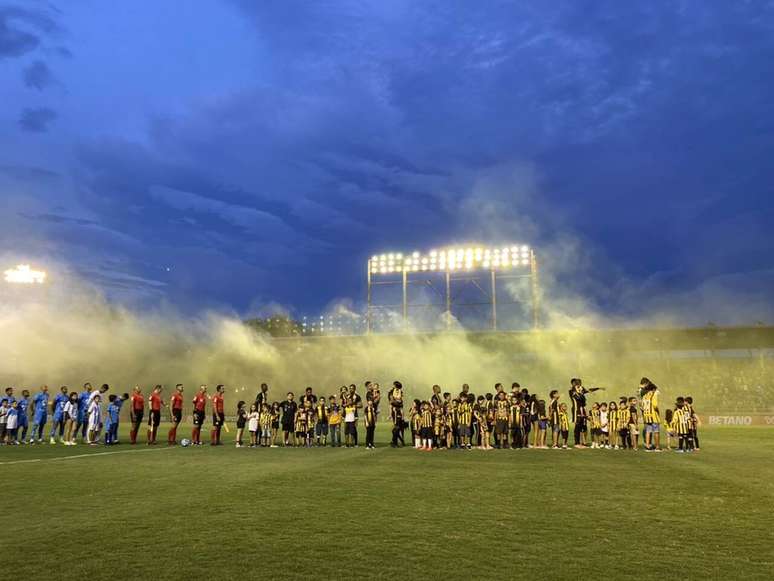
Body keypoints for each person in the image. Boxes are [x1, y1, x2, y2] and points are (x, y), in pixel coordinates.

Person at [568, 378, 603, 448]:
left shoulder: (581, 389)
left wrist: (598, 388)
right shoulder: (571, 391)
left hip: (582, 410)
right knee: (577, 426)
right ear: (574, 384)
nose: (579, 385)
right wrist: (581, 392)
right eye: (577, 383)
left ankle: (581, 443)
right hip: (576, 410)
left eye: (580, 383)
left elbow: (588, 390)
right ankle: (576, 443)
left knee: (581, 426)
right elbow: (578, 397)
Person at [639, 377, 661, 451]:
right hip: (653, 415)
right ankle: (657, 447)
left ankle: (647, 446)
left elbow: (642, 406)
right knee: (656, 431)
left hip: (647, 415)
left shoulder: (645, 396)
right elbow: (655, 405)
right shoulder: (653, 394)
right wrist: (658, 411)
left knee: (648, 431)